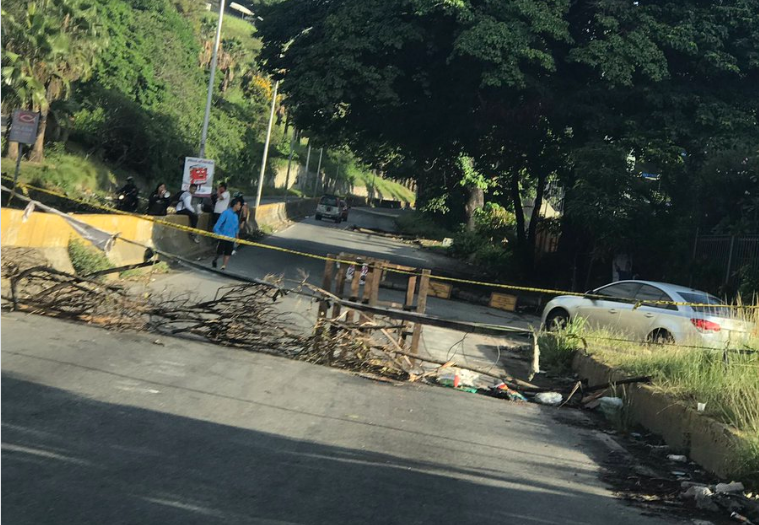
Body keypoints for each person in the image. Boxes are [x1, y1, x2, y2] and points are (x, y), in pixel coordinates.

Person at [212, 198, 243, 270]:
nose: (240, 206)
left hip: (231, 237)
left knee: (228, 252)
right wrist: (218, 234)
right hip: (223, 236)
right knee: (219, 252)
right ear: (235, 205)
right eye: (239, 205)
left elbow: (236, 227)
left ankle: (223, 266)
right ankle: (215, 260)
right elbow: (217, 225)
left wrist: (237, 237)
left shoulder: (236, 216)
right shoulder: (225, 213)